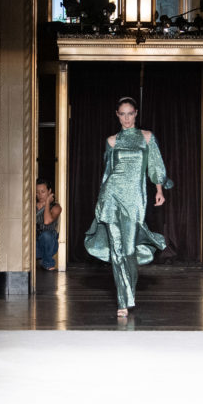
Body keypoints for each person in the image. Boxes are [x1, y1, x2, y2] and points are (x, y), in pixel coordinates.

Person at [84, 97, 172, 318]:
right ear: (117, 115)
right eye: (122, 114)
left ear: (136, 113)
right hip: (112, 196)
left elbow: (155, 165)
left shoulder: (147, 137)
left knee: (130, 250)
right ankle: (123, 300)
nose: (126, 118)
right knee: (117, 250)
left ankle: (129, 290)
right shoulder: (112, 141)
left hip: (134, 199)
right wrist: (101, 200)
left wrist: (159, 189)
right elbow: (107, 173)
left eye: (130, 113)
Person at [35, 178, 62, 270]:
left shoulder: (56, 207)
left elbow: (47, 221)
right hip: (35, 245)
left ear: (49, 191)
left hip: (49, 244)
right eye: (37, 192)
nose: (40, 195)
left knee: (46, 235)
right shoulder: (31, 206)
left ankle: (48, 262)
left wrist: (47, 203)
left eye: (43, 192)